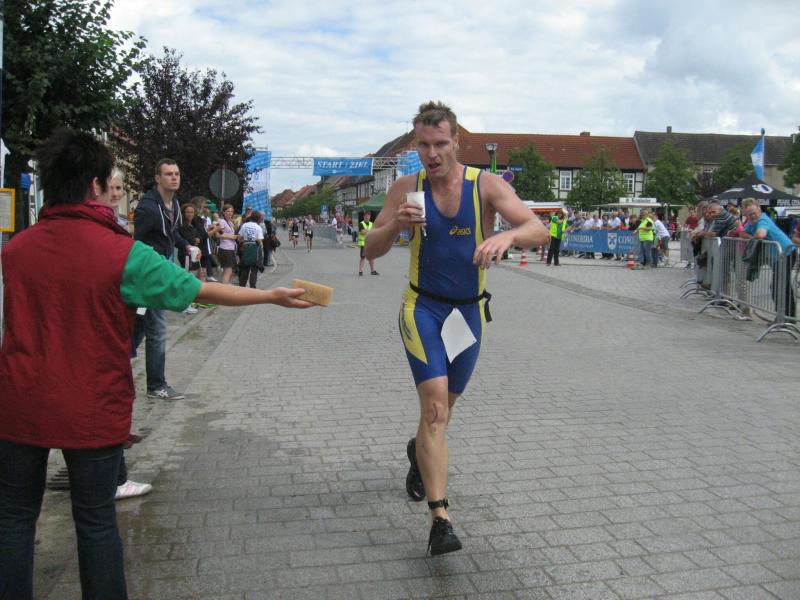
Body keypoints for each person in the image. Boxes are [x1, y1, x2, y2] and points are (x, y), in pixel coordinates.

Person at [0, 129, 314, 600]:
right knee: (95, 522)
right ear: (94, 185)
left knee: (13, 520)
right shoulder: (123, 255)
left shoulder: (16, 249)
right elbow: (200, 290)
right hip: (91, 404)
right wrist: (269, 296)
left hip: (18, 402)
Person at [365, 101, 549, 557]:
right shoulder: (406, 188)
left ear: (456, 142)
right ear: (416, 145)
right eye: (424, 145)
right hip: (422, 308)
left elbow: (538, 229)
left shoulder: (484, 185)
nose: (432, 154)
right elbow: (371, 248)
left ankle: (419, 452)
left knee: (443, 412)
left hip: (467, 315)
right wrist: (395, 226)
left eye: (440, 144)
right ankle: (440, 519)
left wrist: (507, 235)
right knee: (434, 410)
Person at [133, 158, 195, 400]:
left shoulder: (174, 203)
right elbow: (136, 242)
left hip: (163, 270)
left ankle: (113, 366)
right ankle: (156, 385)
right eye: (168, 174)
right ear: (157, 178)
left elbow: (171, 234)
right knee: (157, 328)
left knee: (140, 325)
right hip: (148, 275)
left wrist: (186, 246)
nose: (174, 177)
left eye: (176, 173)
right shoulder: (148, 208)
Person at [740, 198, 796, 319]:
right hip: (777, 257)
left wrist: (752, 237)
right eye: (749, 214)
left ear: (759, 210)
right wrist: (750, 236)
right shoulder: (752, 222)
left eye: (754, 213)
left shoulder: (763, 220)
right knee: (780, 286)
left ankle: (785, 318)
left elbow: (761, 234)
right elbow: (742, 233)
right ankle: (785, 317)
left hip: (786, 254)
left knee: (779, 286)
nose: (752, 216)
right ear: (746, 215)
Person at [238, 211, 265, 288]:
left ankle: (242, 286)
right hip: (255, 249)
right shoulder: (258, 227)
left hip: (246, 248)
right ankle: (252, 287)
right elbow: (259, 240)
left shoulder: (245, 225)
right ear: (259, 219)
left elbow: (239, 237)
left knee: (245, 269)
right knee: (254, 270)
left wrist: (244, 241)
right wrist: (262, 249)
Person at [216, 204, 239, 285]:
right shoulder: (222, 221)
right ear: (223, 212)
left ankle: (225, 286)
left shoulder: (229, 222)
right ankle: (224, 288)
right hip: (225, 249)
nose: (230, 213)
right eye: (228, 211)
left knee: (229, 271)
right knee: (228, 271)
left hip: (230, 248)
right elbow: (217, 234)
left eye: (231, 211)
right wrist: (232, 236)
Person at [358, 210, 378, 275]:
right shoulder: (361, 224)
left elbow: (374, 233)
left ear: (370, 216)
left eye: (368, 216)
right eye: (366, 216)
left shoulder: (372, 224)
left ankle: (373, 271)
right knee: (363, 257)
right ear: (364, 216)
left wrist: (367, 231)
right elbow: (362, 232)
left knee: (371, 257)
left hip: (370, 243)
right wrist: (370, 231)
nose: (367, 217)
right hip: (363, 243)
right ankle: (360, 271)